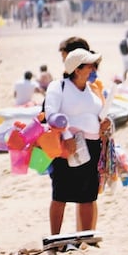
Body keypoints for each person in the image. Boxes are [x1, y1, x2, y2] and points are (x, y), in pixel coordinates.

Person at [44, 48, 111, 236]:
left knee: (88, 194)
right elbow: (52, 115)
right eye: (89, 65)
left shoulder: (93, 89)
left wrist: (106, 123)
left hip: (92, 145)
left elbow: (99, 115)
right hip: (67, 146)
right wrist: (67, 137)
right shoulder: (58, 87)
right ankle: (55, 237)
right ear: (77, 69)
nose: (93, 69)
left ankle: (86, 236)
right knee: (60, 193)